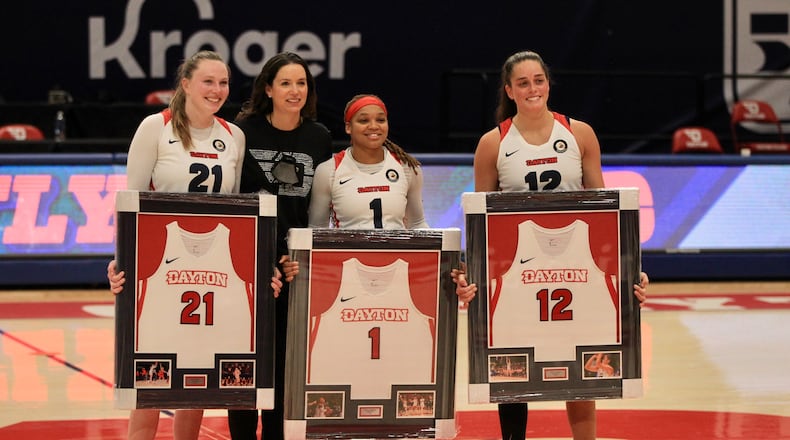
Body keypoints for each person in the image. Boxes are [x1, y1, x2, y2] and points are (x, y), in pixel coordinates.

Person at [451, 50, 650, 440]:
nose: (532, 88)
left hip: (576, 264)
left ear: (548, 83)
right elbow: (481, 223)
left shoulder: (579, 133)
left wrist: (628, 270)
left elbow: (605, 213)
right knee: (511, 355)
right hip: (520, 267)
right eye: (522, 82)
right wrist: (472, 275)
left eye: (538, 80)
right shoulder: (493, 143)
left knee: (580, 356)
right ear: (509, 90)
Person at [105, 50, 247, 440]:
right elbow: (130, 200)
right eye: (208, 81)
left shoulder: (234, 135)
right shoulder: (155, 126)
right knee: (149, 378)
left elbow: (234, 213)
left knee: (197, 372)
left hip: (211, 267)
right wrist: (122, 261)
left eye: (224, 82)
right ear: (185, 84)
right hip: (160, 265)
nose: (217, 90)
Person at [227, 51, 334, 440]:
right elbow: (234, 201)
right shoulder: (242, 132)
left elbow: (318, 211)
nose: (295, 91)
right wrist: (261, 257)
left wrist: (299, 257)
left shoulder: (319, 137)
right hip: (249, 262)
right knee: (245, 366)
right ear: (268, 89)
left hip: (294, 266)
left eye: (301, 83)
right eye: (286, 83)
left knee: (284, 369)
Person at [306, 93, 428, 230]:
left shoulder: (407, 168)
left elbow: (417, 224)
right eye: (364, 121)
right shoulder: (329, 170)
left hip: (395, 252)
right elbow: (316, 229)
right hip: (346, 252)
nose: (374, 126)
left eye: (381, 120)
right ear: (348, 127)